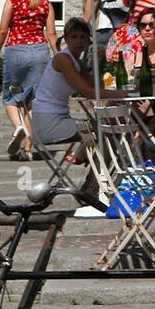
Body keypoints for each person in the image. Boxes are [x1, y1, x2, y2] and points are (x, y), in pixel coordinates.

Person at [30, 18, 102, 215]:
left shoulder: (75, 60)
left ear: (88, 40)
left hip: (58, 117)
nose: (78, 41)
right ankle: (91, 187)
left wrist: (96, 62)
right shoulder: (63, 59)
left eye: (83, 37)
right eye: (73, 37)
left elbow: (95, 86)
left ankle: (92, 182)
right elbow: (88, 92)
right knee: (102, 131)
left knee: (102, 129)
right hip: (48, 122)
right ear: (66, 39)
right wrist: (129, 94)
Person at [0, 0, 57, 160]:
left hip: (16, 50)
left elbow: (3, 30)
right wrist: (60, 55)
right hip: (39, 52)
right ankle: (27, 149)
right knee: (33, 102)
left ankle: (18, 127)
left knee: (11, 98)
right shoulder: (45, 3)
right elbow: (52, 33)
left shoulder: (13, 0)